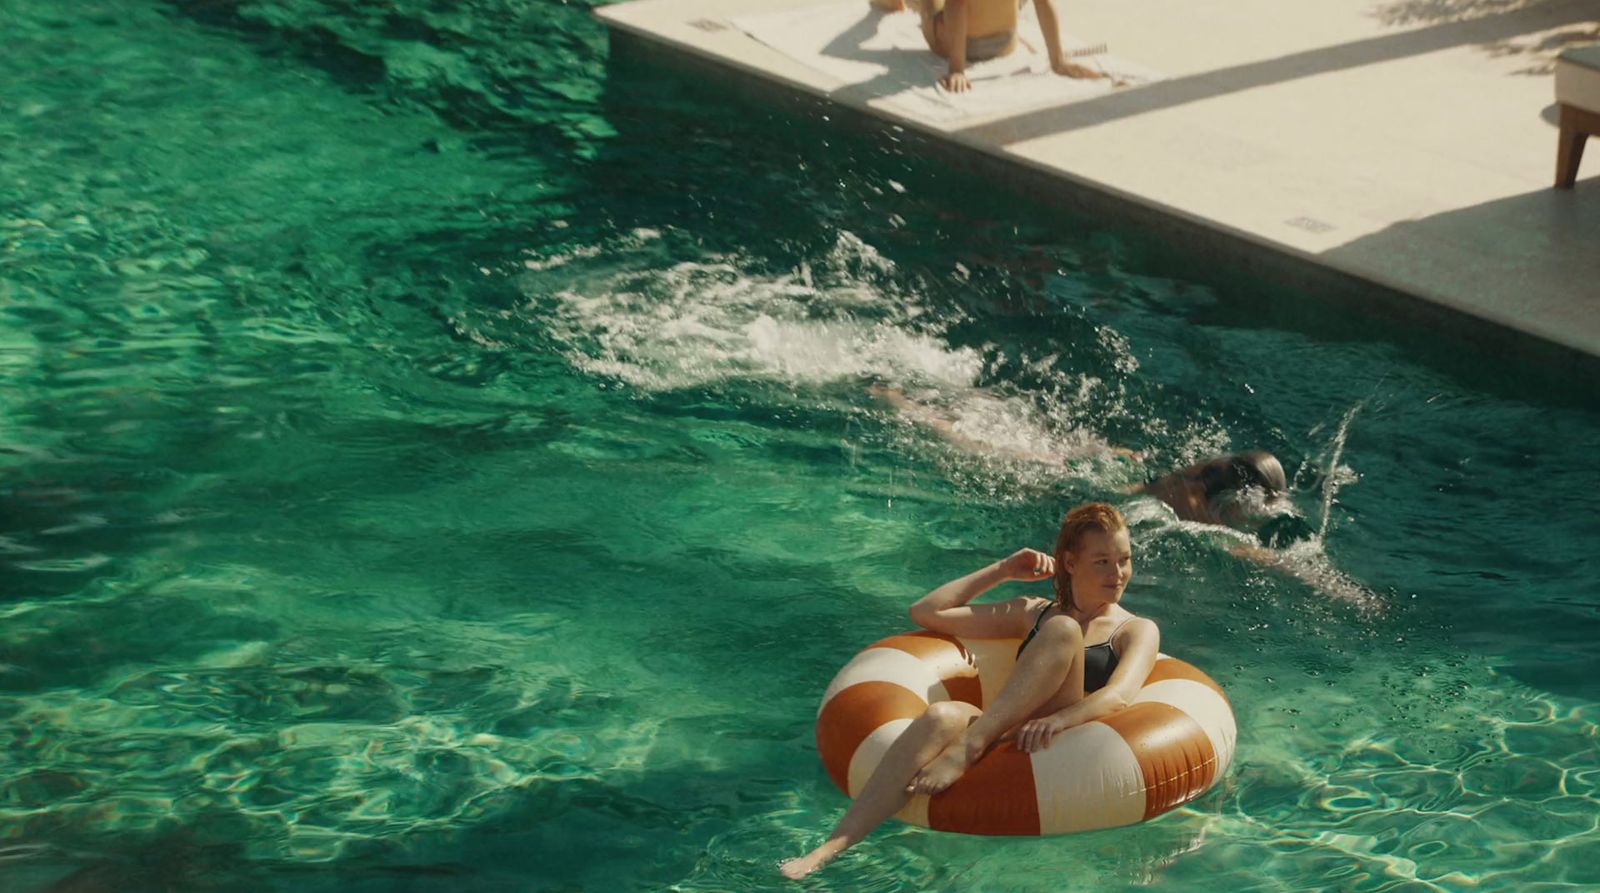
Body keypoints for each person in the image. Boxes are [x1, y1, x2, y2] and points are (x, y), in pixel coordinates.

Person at [780, 502, 1160, 879]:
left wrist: (1059, 720)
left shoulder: (1134, 629)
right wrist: (1003, 570)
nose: (1118, 573)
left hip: (1063, 738)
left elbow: (1118, 695)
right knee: (941, 716)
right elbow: (927, 612)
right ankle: (830, 847)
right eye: (1102, 561)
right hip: (1006, 729)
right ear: (1070, 562)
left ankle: (970, 745)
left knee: (1064, 630)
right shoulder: (1033, 611)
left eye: (1124, 559)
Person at [870, 0, 1106, 92]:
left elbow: (957, 6)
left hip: (966, 46)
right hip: (1006, 42)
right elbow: (1043, 3)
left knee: (927, 5)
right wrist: (1058, 60)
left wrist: (957, 69)